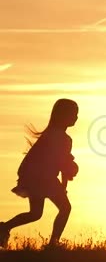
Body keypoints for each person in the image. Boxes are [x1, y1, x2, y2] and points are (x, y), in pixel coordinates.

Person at [0, 99, 79, 248]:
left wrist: (62, 184)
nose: (76, 117)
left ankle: (4, 227)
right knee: (65, 208)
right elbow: (62, 164)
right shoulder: (62, 138)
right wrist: (63, 184)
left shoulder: (50, 134)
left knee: (35, 214)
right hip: (44, 178)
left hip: (35, 177)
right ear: (63, 115)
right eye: (74, 114)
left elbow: (61, 163)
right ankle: (53, 243)